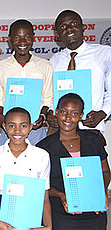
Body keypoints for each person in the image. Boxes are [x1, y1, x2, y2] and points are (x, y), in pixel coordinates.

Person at [37, 93, 111, 230]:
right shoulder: (44, 147)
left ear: (81, 116)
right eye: (64, 112)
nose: (68, 118)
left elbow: (105, 171)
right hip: (61, 208)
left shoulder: (94, 140)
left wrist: (101, 191)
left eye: (74, 113)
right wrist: (61, 195)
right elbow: (41, 184)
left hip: (93, 206)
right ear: (57, 112)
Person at [48, 10, 111, 142]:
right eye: (63, 27)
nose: (69, 28)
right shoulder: (54, 60)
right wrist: (50, 113)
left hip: (91, 129)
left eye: (74, 23)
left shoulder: (105, 53)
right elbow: (50, 95)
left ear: (83, 27)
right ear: (57, 34)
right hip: (60, 132)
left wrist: (103, 113)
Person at [0, 107, 52, 230]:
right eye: (12, 126)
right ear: (4, 127)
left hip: (32, 210)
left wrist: (48, 226)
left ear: (30, 127)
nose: (17, 131)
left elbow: (44, 196)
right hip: (1, 212)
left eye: (23, 126)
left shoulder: (41, 155)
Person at [0, 19, 53, 145]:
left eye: (27, 37)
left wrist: (42, 116)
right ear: (10, 39)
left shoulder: (45, 66)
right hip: (9, 130)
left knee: (37, 164)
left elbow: (48, 98)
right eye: (17, 37)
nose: (22, 42)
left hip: (36, 130)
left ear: (33, 37)